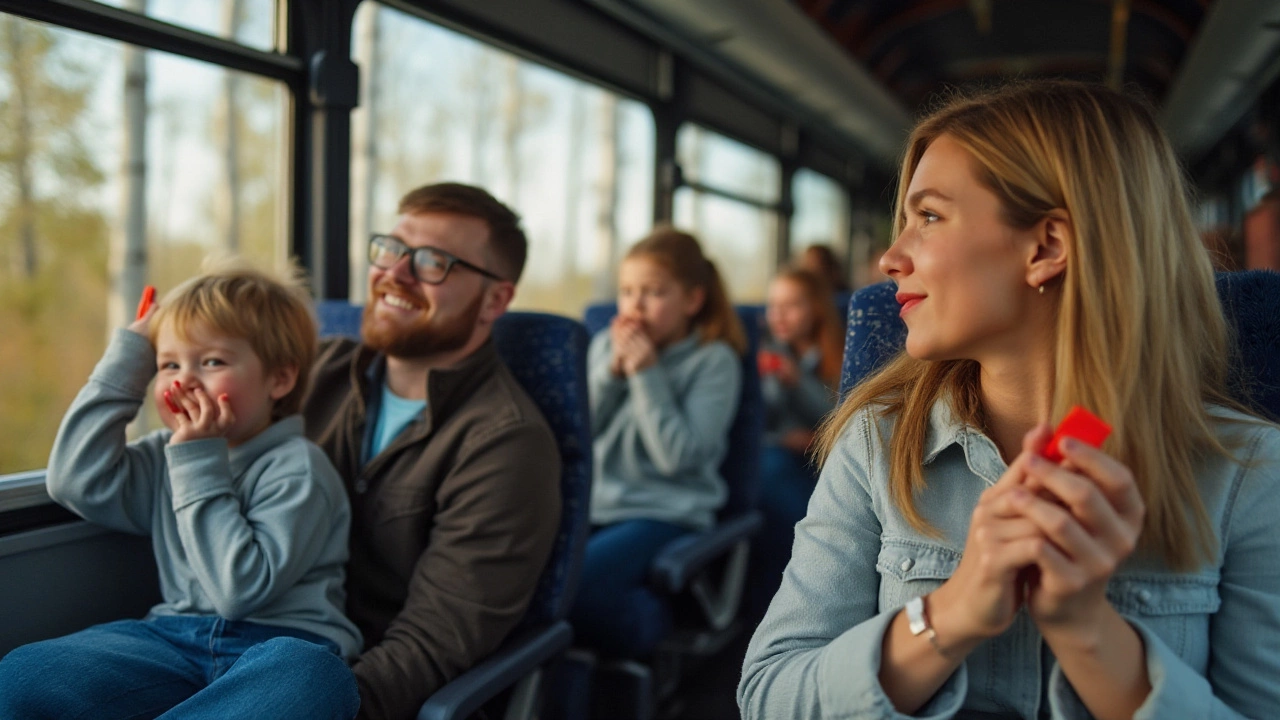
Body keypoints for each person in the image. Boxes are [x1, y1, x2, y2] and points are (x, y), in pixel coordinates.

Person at [739, 79, 1280, 720]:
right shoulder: (875, 444)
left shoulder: (1249, 472)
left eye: (930, 217)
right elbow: (769, 696)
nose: (889, 258)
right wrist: (952, 613)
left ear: (1047, 246)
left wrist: (1089, 633)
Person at [0, 263, 361, 719]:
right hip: (171, 638)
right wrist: (129, 358)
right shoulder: (163, 454)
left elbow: (238, 593)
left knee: (314, 679)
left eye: (211, 362)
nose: (182, 381)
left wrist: (198, 461)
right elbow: (74, 480)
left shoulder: (299, 467)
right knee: (25, 673)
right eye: (168, 363)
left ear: (279, 379)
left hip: (276, 645)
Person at [302, 182, 561, 720]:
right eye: (392, 248)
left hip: (339, 681)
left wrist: (319, 705)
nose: (394, 273)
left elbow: (428, 647)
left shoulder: (507, 442)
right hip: (222, 638)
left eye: (432, 262)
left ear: (496, 299)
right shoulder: (312, 369)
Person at [572, 227, 745, 657]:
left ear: (692, 300)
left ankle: (665, 640)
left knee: (580, 586)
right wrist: (612, 372)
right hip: (598, 505)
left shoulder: (714, 361)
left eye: (653, 292)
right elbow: (578, 436)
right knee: (529, 579)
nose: (635, 304)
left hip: (667, 510)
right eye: (627, 291)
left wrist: (646, 373)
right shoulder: (602, 348)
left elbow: (677, 459)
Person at [748, 267, 843, 618]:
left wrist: (796, 378)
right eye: (773, 306)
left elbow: (838, 416)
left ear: (816, 308)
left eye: (792, 306)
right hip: (780, 459)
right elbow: (753, 424)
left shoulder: (844, 350)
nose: (779, 316)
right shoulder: (762, 351)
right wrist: (785, 438)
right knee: (770, 471)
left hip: (827, 463)